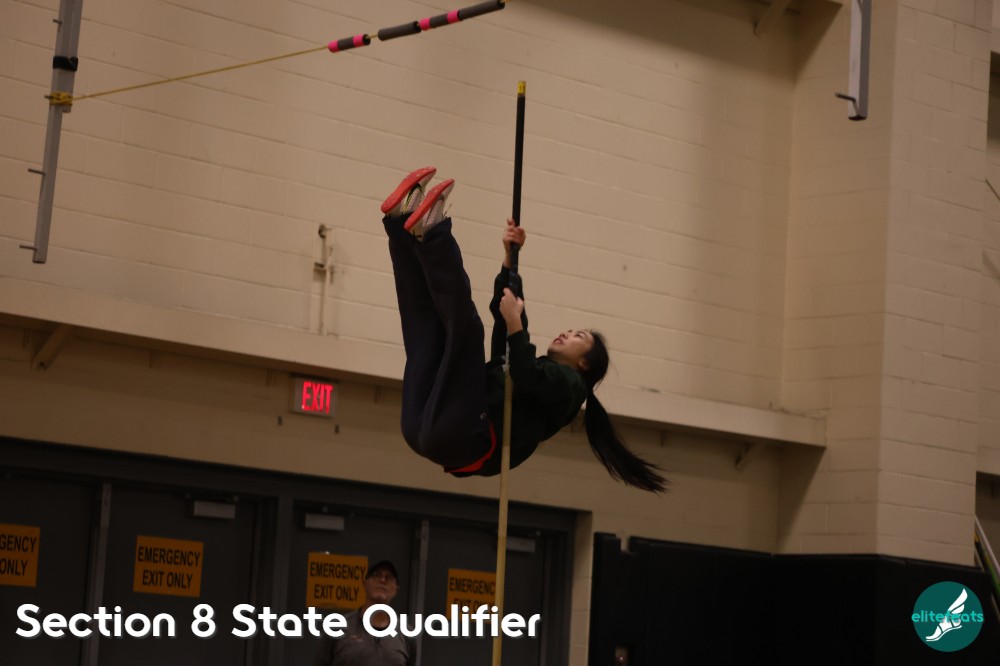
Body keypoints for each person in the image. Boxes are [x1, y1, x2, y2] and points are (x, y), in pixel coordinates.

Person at [381, 167, 666, 493]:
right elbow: (509, 344)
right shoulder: (537, 377)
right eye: (572, 330)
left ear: (585, 363)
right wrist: (509, 261)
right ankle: (400, 223)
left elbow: (525, 370)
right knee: (426, 330)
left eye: (579, 337)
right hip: (427, 429)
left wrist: (517, 325)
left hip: (463, 437)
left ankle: (433, 231)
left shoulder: (571, 388)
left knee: (466, 330)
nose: (567, 333)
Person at [314, 560, 414, 666]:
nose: (382, 580)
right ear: (365, 583)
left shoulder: (406, 635)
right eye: (376, 575)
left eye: (388, 578)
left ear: (396, 590)